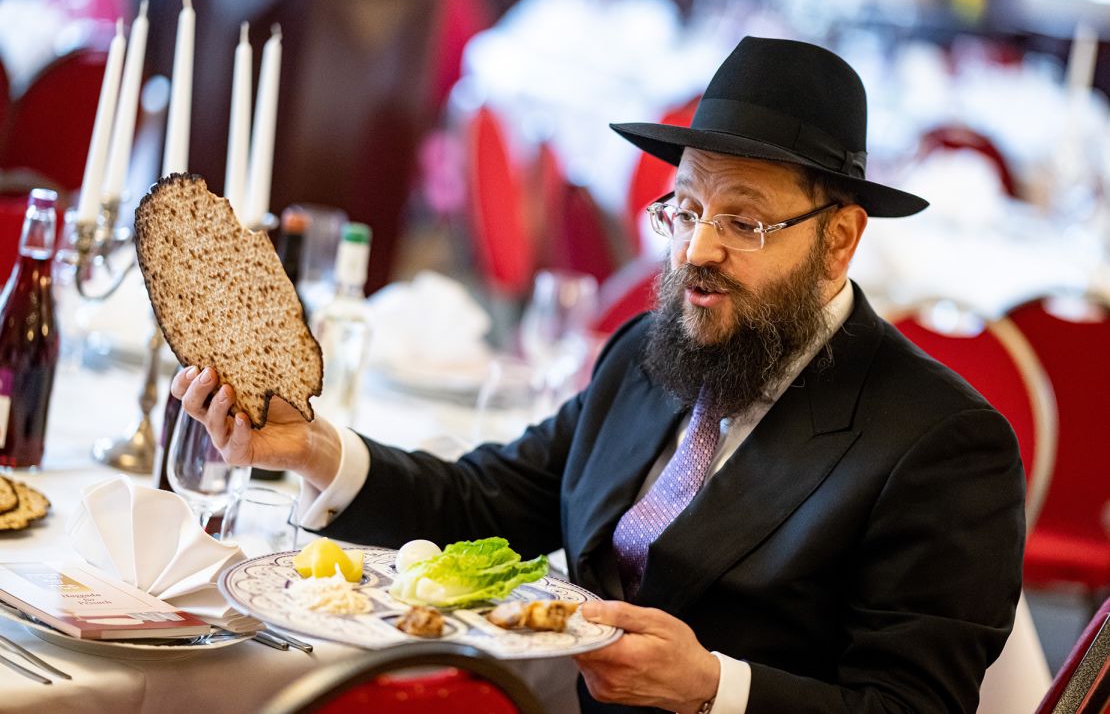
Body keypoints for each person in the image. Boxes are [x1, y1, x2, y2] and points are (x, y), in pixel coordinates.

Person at [172, 37, 1024, 713]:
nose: (697, 250)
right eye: (685, 210)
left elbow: (912, 704)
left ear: (839, 241)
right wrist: (319, 450)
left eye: (744, 222)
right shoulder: (653, 353)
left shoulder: (940, 445)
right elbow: (488, 504)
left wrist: (713, 689)